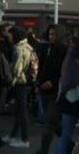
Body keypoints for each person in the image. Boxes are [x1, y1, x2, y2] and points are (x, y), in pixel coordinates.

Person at [2, 26, 38, 149]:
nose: (9, 37)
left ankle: (25, 139)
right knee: (19, 111)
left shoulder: (18, 49)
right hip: (28, 83)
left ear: (16, 35)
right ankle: (13, 135)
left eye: (11, 35)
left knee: (22, 112)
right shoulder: (28, 47)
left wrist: (10, 82)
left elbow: (16, 70)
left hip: (20, 83)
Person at [36, 25, 68, 154]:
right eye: (50, 34)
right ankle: (70, 143)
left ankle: (43, 151)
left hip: (57, 92)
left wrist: (53, 82)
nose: (51, 37)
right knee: (53, 122)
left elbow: (65, 72)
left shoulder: (66, 50)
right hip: (45, 90)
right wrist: (38, 85)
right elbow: (42, 68)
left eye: (54, 34)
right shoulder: (47, 48)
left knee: (49, 122)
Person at [54, 36, 79, 154]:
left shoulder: (69, 57)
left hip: (67, 99)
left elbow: (62, 79)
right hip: (75, 98)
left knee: (65, 136)